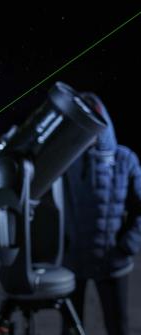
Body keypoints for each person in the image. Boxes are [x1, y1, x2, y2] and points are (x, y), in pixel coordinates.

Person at [62, 93, 141, 335]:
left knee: (117, 326)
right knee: (71, 328)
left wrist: (126, 246)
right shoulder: (66, 161)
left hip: (113, 262)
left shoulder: (125, 159)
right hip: (73, 263)